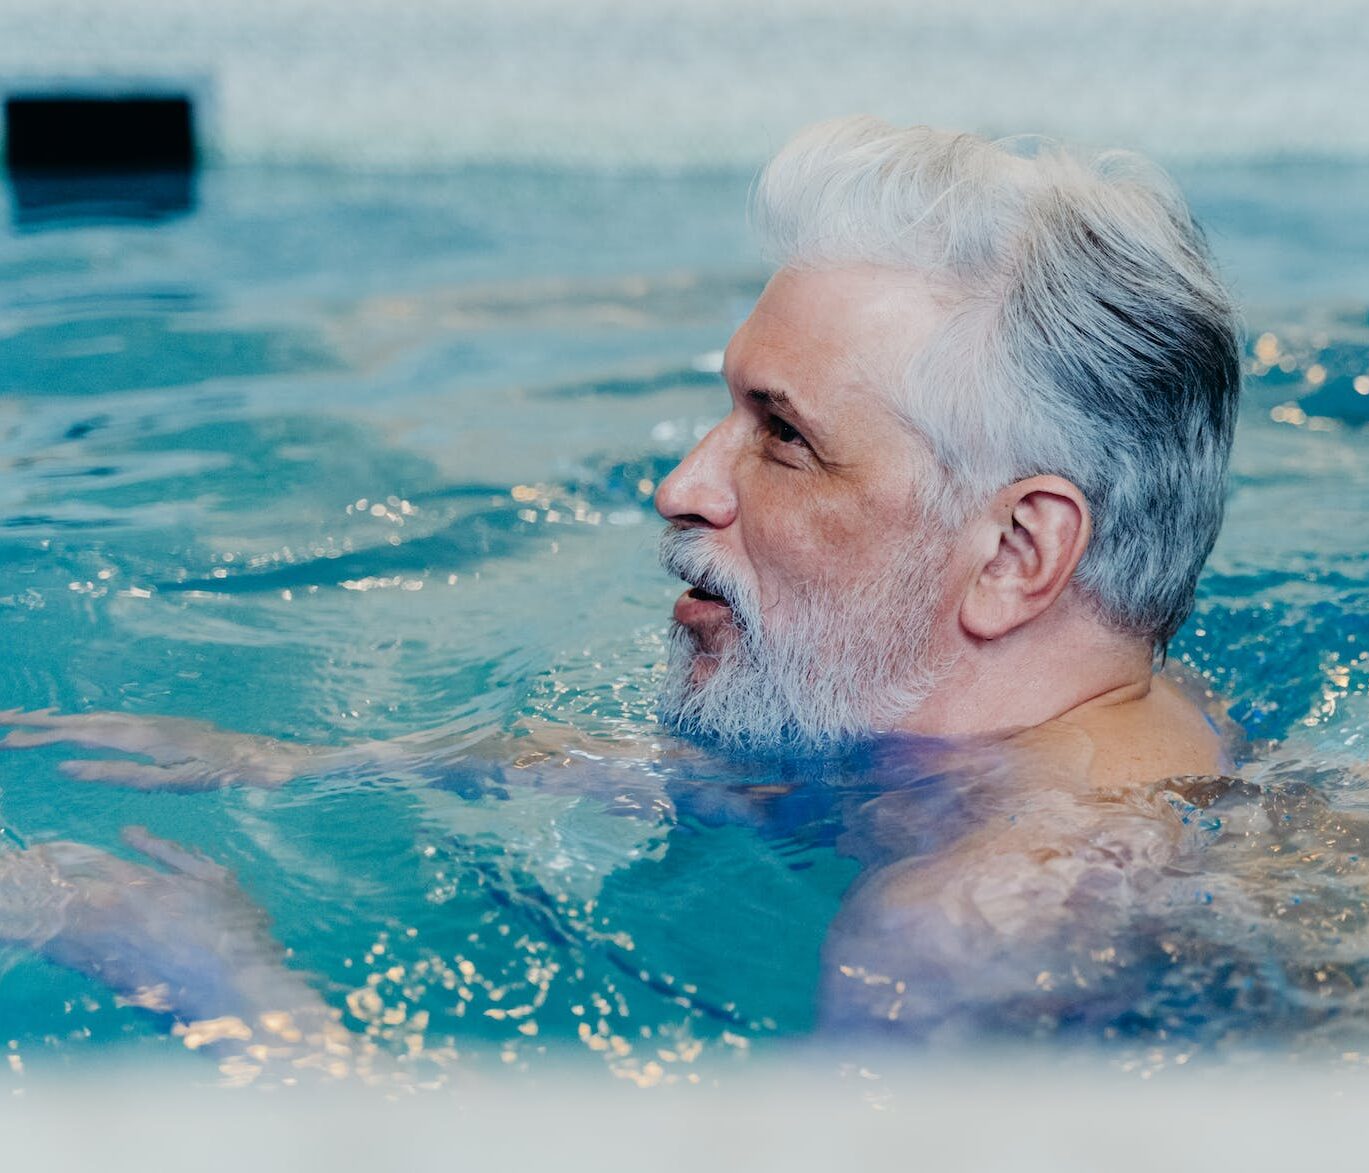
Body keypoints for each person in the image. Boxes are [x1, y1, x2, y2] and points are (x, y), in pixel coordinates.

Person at [0, 116, 1247, 1064]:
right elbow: (804, 774)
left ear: (1018, 554)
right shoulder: (1106, 718)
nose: (685, 483)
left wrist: (227, 993)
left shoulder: (975, 926)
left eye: (784, 436)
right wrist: (302, 765)